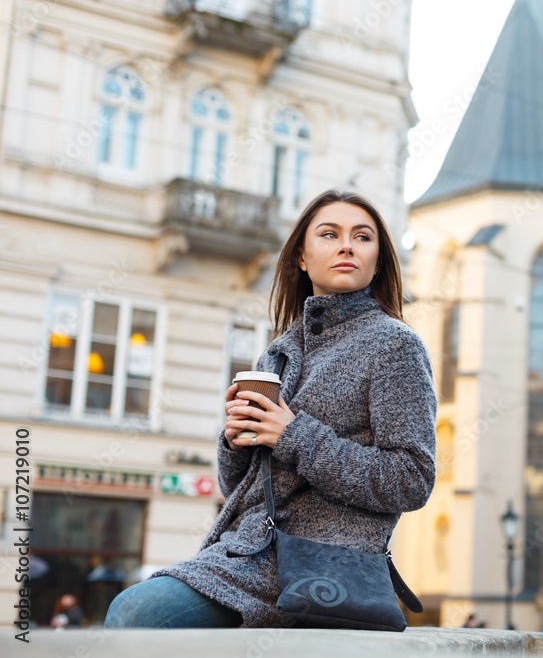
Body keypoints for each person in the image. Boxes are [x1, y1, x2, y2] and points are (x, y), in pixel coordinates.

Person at [104, 190, 438, 628]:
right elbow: (239, 488)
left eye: (362, 237)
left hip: (320, 567)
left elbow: (411, 478)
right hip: (246, 556)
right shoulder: (280, 352)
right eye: (329, 234)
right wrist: (236, 438)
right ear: (301, 256)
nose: (346, 245)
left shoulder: (396, 345)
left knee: (137, 614)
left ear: (378, 262)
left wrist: (292, 435)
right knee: (131, 609)